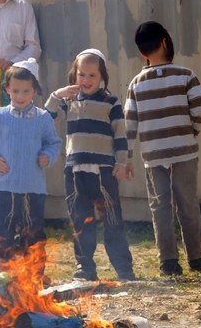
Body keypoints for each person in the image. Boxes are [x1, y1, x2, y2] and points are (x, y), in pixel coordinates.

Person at [125, 21, 201, 277]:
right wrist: (191, 130)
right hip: (184, 149)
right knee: (188, 203)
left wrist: (126, 155)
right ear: (165, 42)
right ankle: (196, 257)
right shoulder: (185, 75)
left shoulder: (136, 83)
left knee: (160, 206)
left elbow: (130, 123)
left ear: (142, 52)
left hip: (153, 155)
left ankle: (168, 262)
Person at [45, 49, 136, 281]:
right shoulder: (69, 101)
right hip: (75, 171)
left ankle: (124, 269)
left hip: (104, 172)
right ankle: (85, 267)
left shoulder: (111, 102)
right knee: (80, 220)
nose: (86, 80)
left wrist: (122, 163)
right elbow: (47, 117)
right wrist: (56, 96)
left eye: (92, 75)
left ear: (102, 76)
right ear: (74, 75)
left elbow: (120, 135)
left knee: (112, 220)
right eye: (81, 74)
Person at [0, 58, 62, 275]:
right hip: (5, 188)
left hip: (33, 189)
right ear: (7, 89)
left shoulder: (43, 119)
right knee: (3, 234)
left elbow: (53, 143)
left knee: (33, 234)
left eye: (26, 91)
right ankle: (1, 276)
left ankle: (33, 278)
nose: (21, 96)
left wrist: (47, 156)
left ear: (34, 90)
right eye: (16, 91)